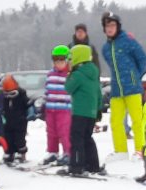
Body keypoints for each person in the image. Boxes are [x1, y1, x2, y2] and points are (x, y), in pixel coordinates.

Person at [101, 12, 146, 161]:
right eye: (107, 25)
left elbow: (142, 59)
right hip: (116, 89)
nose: (110, 28)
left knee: (137, 120)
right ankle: (120, 150)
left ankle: (140, 150)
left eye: (112, 25)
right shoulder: (105, 48)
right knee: (115, 121)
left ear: (118, 26)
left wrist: (135, 76)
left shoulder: (128, 40)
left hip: (132, 87)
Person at [61, 45, 102, 175]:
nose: (70, 61)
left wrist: (70, 73)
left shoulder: (77, 74)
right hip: (91, 112)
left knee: (76, 138)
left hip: (79, 112)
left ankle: (77, 166)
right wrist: (98, 110)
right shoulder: (94, 72)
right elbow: (98, 92)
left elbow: (68, 88)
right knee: (87, 138)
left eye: (71, 58)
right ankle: (93, 165)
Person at [42, 45, 72, 166]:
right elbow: (47, 90)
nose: (58, 63)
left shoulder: (70, 75)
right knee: (51, 131)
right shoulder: (50, 74)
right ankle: (53, 151)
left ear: (67, 60)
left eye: (61, 60)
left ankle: (68, 152)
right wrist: (44, 104)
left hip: (64, 109)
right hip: (51, 108)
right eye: (56, 60)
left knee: (64, 131)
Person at [1, 74, 33, 164]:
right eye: (7, 93)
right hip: (7, 122)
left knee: (20, 139)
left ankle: (21, 153)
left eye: (11, 93)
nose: (9, 96)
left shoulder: (21, 95)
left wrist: (30, 110)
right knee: (7, 138)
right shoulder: (2, 98)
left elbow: (28, 103)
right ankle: (9, 152)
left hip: (20, 121)